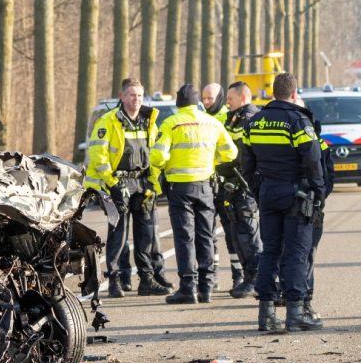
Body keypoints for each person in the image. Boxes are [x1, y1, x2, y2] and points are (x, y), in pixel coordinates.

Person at [241, 73, 324, 332]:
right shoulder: (298, 121)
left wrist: (259, 189)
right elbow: (313, 160)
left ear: (273, 92)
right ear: (294, 93)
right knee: (297, 253)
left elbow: (246, 163)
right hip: (296, 194)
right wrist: (319, 191)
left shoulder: (255, 122)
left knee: (270, 252)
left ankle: (266, 315)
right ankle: (296, 313)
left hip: (268, 192)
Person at [84, 79, 173, 298]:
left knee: (146, 236)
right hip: (118, 183)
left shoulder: (149, 120)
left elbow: (154, 154)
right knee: (118, 235)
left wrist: (153, 184)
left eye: (140, 95)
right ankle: (115, 280)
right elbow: (98, 155)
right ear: (122, 96)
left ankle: (146, 279)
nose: (136, 99)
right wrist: (113, 184)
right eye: (132, 95)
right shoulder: (108, 121)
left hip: (142, 184)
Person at [152, 84, 238, 303]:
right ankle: (206, 288)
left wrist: (168, 164)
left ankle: (188, 288)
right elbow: (231, 152)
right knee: (206, 235)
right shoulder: (212, 123)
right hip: (205, 186)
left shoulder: (171, 123)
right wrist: (212, 161)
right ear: (197, 102)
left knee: (185, 238)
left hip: (180, 188)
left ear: (178, 103)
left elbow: (157, 157)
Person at [214, 82, 262, 298]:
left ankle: (256, 278)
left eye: (230, 99)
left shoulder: (250, 119)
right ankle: (249, 277)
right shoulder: (233, 118)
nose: (227, 103)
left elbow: (244, 156)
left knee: (248, 234)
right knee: (238, 234)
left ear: (243, 98)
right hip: (233, 185)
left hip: (245, 185)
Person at [297, 95, 335, 327]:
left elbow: (328, 175)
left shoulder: (319, 142)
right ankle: (295, 302)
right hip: (293, 203)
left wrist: (318, 198)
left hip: (311, 206)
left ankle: (305, 301)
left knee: (307, 254)